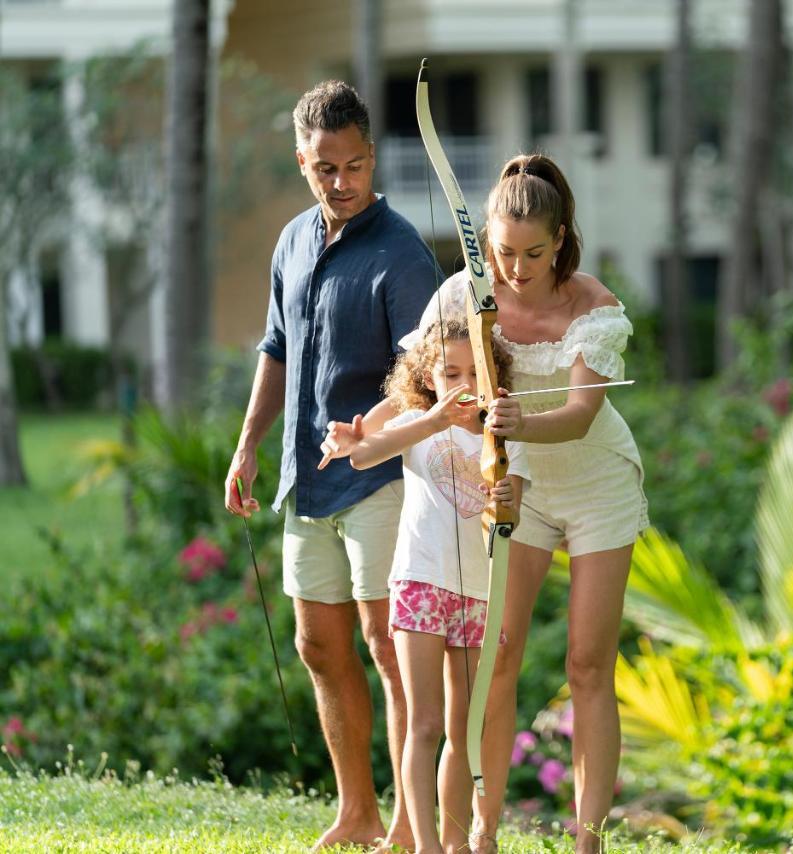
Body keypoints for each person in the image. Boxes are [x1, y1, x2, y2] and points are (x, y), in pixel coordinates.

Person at [323, 152, 647, 854]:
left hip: (596, 487)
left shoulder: (594, 306)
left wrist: (517, 422)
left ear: (560, 241)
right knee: (499, 656)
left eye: (534, 253)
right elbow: (417, 385)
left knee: (588, 666)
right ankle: (483, 836)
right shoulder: (464, 292)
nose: (516, 269)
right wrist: (363, 430)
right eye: (502, 253)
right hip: (516, 488)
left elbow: (584, 412)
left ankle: (589, 842)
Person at [223, 79, 437, 851]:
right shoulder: (292, 241)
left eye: (352, 166)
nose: (340, 183)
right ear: (302, 162)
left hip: (379, 476)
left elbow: (426, 374)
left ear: (371, 157)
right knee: (318, 646)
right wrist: (248, 447)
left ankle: (412, 821)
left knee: (388, 646)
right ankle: (357, 813)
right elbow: (275, 351)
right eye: (324, 169)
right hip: (303, 479)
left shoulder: (403, 251)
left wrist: (370, 431)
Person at [340, 318, 529, 854]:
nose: (464, 383)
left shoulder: (504, 435)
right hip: (421, 583)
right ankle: (423, 844)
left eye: (476, 372)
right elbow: (363, 454)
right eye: (450, 373)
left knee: (462, 728)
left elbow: (508, 510)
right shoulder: (419, 425)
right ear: (428, 374)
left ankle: (455, 842)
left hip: (477, 595)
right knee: (422, 723)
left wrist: (507, 502)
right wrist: (434, 418)